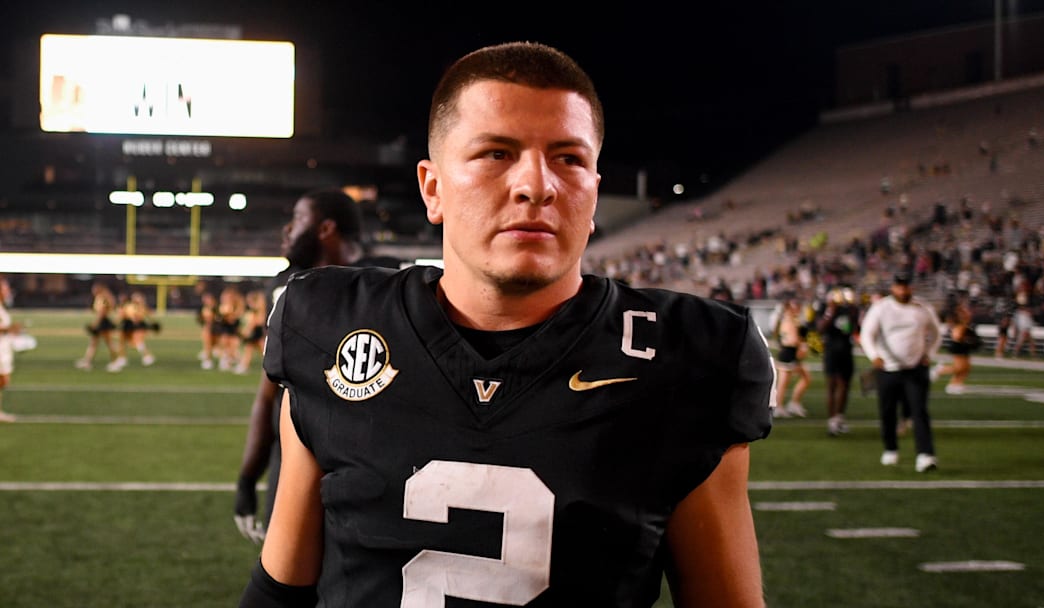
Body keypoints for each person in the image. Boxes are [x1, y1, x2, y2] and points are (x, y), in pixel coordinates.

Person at [238, 42, 773, 607]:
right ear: (433, 187)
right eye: (496, 153)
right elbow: (282, 588)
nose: (536, 184)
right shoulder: (333, 326)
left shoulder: (685, 357)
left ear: (594, 189)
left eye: (569, 158)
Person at [232, 187, 403, 544]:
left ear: (326, 228)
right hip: (295, 456)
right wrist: (248, 478)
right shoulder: (287, 287)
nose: (287, 231)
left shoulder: (390, 281)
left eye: (297, 219)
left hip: (369, 459)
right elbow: (270, 393)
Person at [859, 271, 942, 473]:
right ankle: (890, 448)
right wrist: (874, 356)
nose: (903, 290)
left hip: (915, 368)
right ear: (893, 287)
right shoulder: (881, 308)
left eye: (906, 286)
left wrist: (929, 353)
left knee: (919, 411)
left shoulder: (922, 308)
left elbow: (937, 332)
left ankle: (926, 455)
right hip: (888, 368)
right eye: (899, 286)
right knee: (888, 411)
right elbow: (867, 334)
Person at [815, 286, 860, 435]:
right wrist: (830, 311)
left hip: (846, 351)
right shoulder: (825, 308)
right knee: (832, 386)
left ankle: (839, 418)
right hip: (831, 351)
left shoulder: (850, 310)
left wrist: (854, 313)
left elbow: (854, 330)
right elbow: (820, 329)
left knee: (845, 385)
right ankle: (832, 420)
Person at [772, 297, 811, 418]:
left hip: (788, 353)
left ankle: (791, 403)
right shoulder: (789, 320)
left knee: (803, 378)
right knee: (785, 382)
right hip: (788, 354)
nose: (798, 309)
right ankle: (780, 406)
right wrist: (803, 345)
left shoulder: (788, 320)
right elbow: (793, 340)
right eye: (794, 306)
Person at [932, 297, 978, 394]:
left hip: (962, 337)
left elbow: (967, 319)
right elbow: (959, 321)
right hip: (958, 340)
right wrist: (961, 311)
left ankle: (955, 384)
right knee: (959, 367)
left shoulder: (961, 313)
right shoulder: (956, 314)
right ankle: (940, 370)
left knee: (966, 367)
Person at [75, 281, 121, 370]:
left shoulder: (103, 298)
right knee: (94, 343)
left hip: (103, 323)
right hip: (101, 322)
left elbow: (102, 312)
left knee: (109, 343)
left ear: (99, 288)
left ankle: (116, 362)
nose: (93, 290)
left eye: (94, 288)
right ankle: (87, 361)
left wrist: (95, 324)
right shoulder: (99, 297)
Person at [0, 277, 22, 422]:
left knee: (4, 380)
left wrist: (11, 331)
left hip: (4, 347)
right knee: (3, 379)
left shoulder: (2, 307)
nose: (7, 291)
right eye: (5, 288)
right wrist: (10, 328)